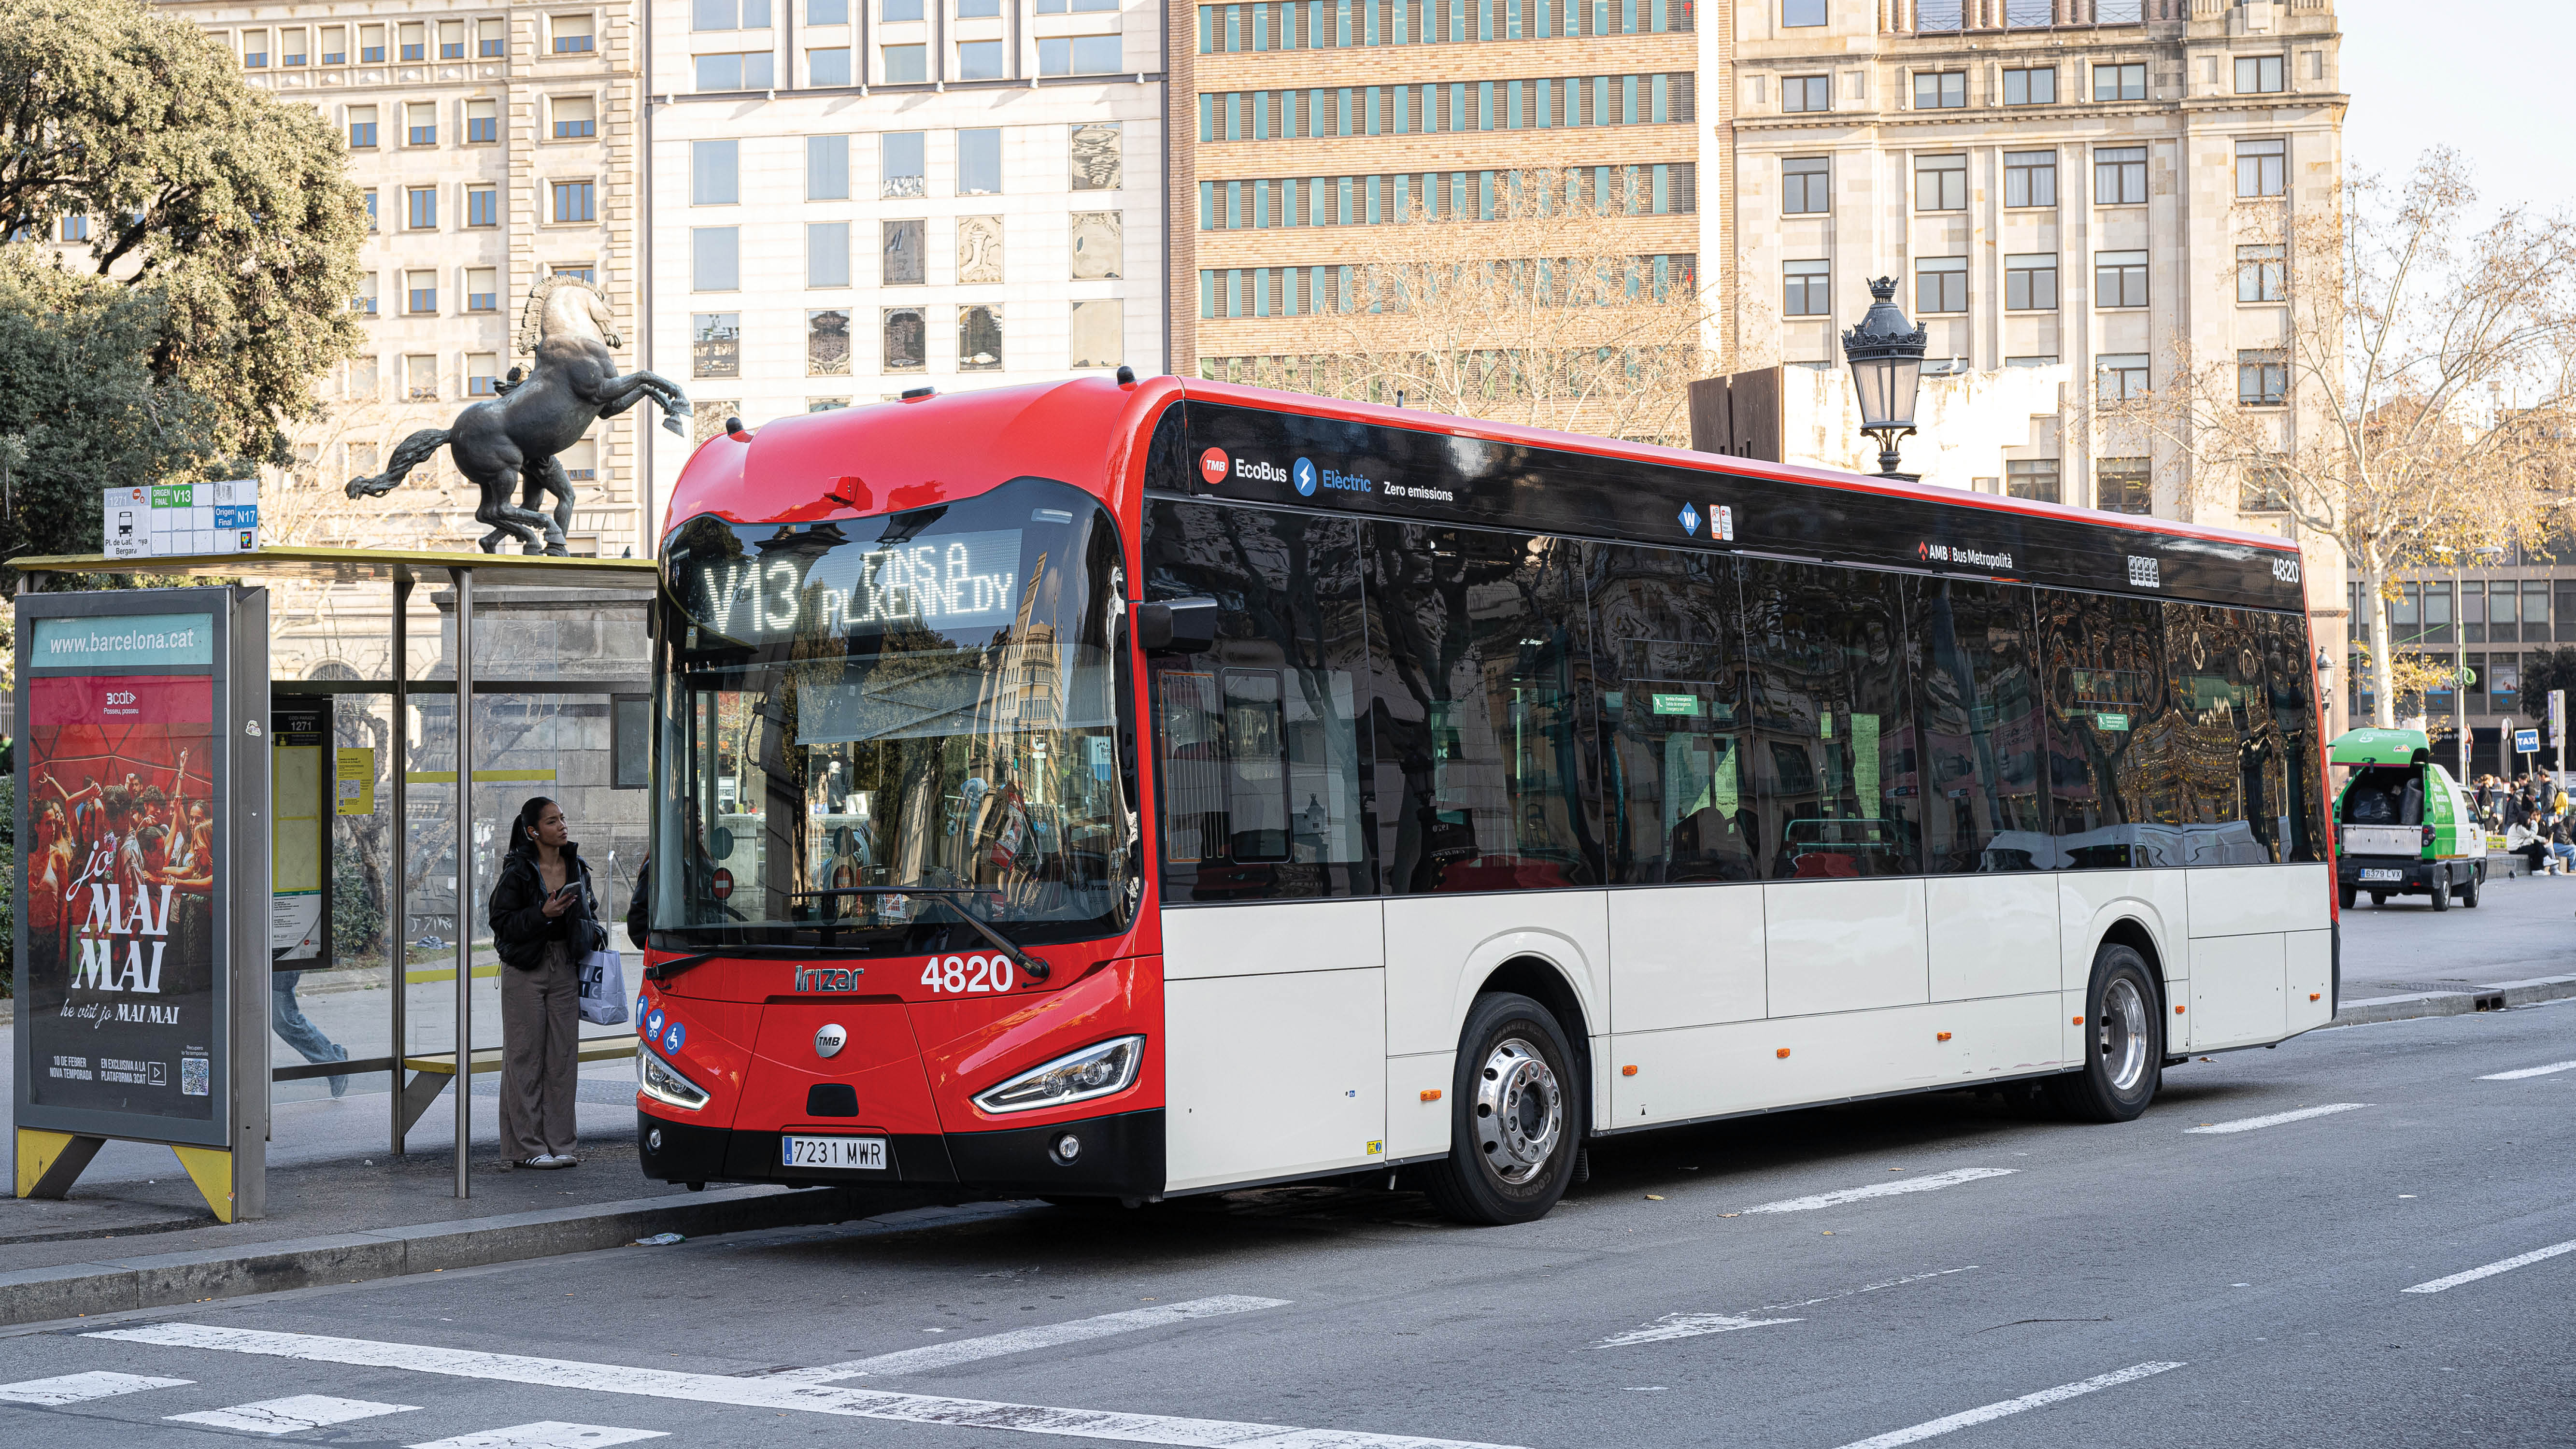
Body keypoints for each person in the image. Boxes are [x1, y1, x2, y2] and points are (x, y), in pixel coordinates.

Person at [488, 796, 601, 1170]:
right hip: (526, 968)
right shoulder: (518, 872)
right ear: (533, 831)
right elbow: (501, 923)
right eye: (552, 822)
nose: (562, 826)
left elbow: (591, 910)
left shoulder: (576, 865)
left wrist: (587, 930)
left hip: (564, 965)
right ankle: (527, 1148)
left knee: (563, 1057)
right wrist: (541, 914)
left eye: (562, 818)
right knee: (524, 1056)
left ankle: (561, 1143)